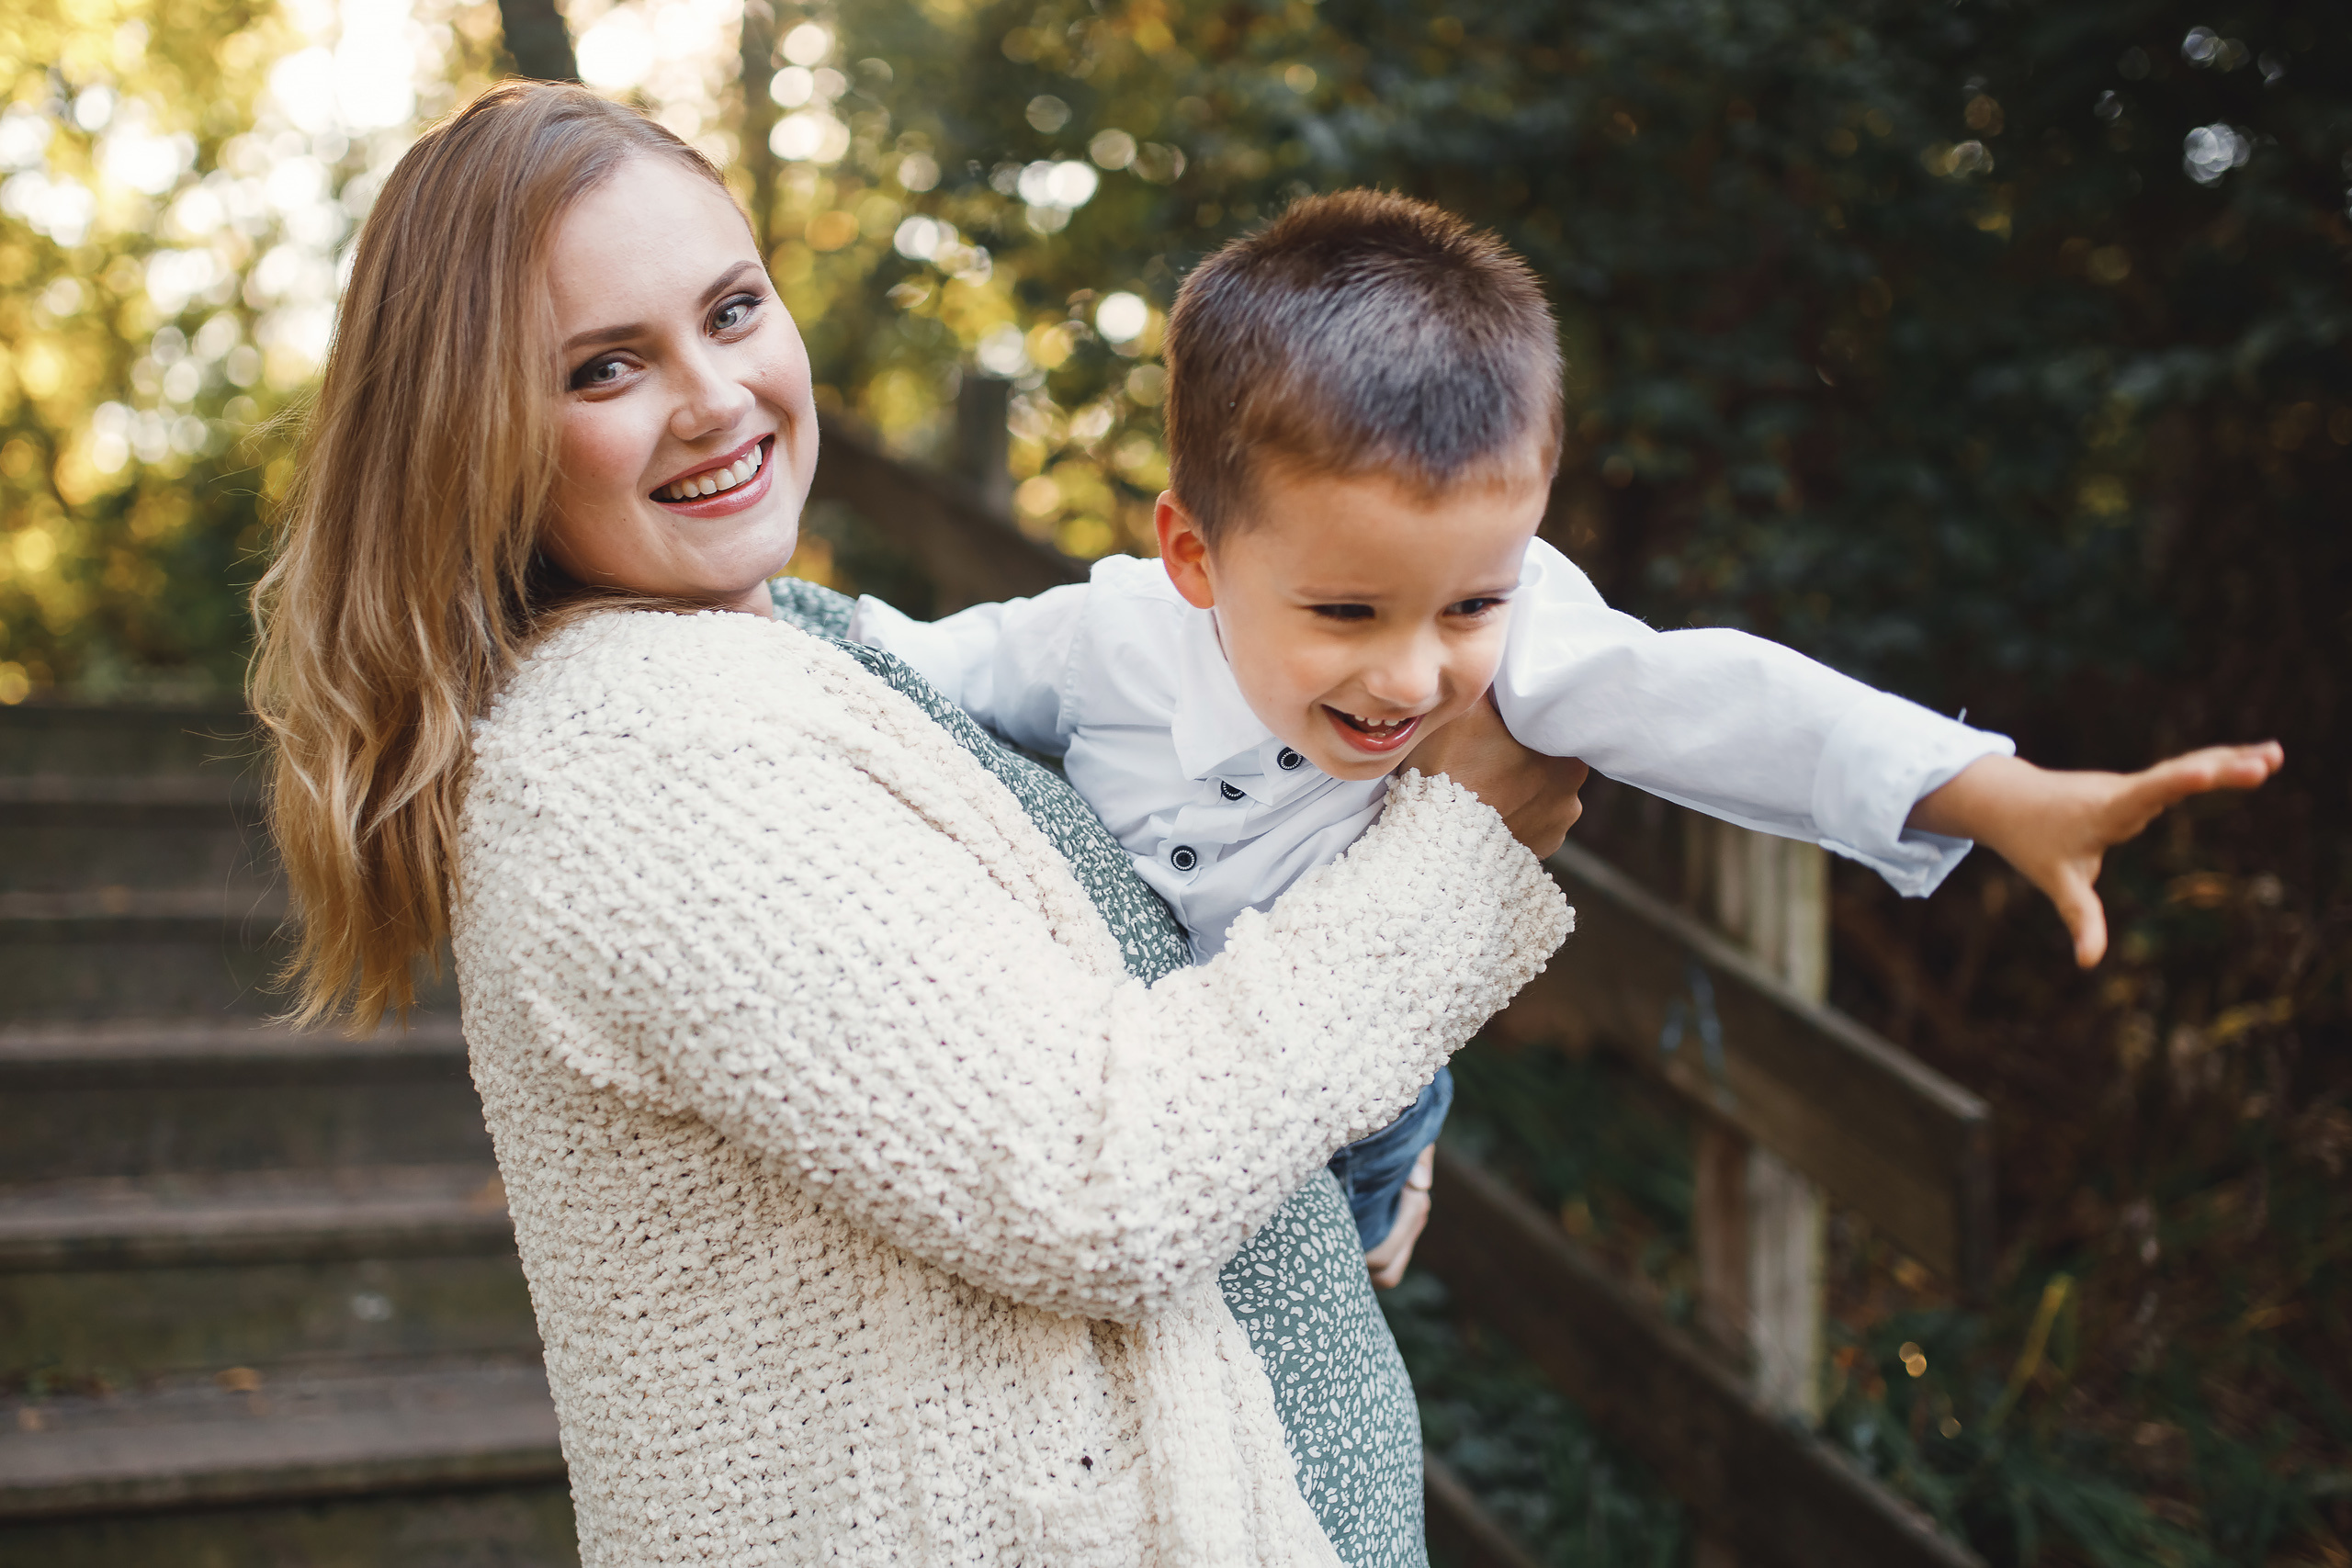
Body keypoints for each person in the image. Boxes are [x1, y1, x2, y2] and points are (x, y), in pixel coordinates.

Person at [247, 84, 1584, 1567]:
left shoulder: (815, 651)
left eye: (734, 310)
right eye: (606, 366)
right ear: (470, 434)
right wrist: (1456, 851)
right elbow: (1097, 1174)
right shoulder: (633, 755)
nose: (712, 397)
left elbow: (1103, 962)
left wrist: (1354, 1116)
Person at [848, 190, 2285, 1260]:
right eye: (1348, 615)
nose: (1416, 679)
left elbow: (1726, 702)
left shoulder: (1537, 639)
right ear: (1196, 556)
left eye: (1469, 602)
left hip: (1349, 1118)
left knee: (1283, 1371)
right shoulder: (1104, 638)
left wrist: (1993, 791)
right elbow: (902, 669)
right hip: (1138, 1080)